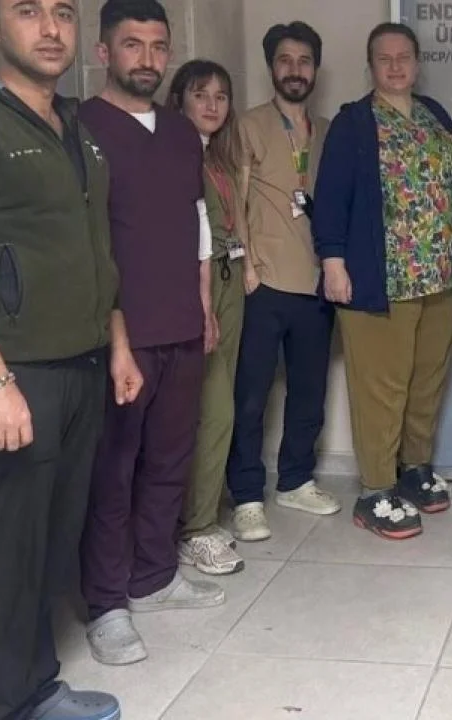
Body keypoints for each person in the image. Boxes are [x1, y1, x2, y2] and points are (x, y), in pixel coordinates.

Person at [0, 0, 131, 716]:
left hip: (79, 367)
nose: (50, 28)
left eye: (63, 12)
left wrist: (118, 344)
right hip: (12, 376)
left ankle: (34, 691)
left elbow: (98, 252)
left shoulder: (75, 130)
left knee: (48, 545)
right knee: (5, 552)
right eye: (28, 10)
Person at [79, 0, 225, 667]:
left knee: (170, 460)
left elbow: (198, 223)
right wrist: (113, 336)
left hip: (182, 324)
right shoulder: (81, 127)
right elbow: (85, 241)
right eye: (132, 44)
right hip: (122, 334)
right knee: (115, 470)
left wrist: (205, 305)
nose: (147, 58)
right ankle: (107, 602)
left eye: (158, 46)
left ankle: (154, 576)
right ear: (104, 52)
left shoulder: (179, 131)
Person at [312, 23, 452, 540]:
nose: (395, 67)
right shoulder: (354, 123)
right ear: (371, 66)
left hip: (438, 279)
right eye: (384, 58)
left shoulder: (436, 116)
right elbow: (331, 196)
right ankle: (376, 489)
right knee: (381, 389)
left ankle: (414, 469)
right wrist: (333, 261)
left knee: (425, 383)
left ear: (417, 63)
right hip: (381, 281)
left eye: (404, 57)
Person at [225, 21, 341, 544]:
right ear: (272, 67)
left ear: (315, 69)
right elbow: (234, 200)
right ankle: (247, 495)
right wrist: (247, 268)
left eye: (304, 61)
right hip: (264, 282)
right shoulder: (248, 125)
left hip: (316, 285)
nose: (295, 70)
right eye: (285, 60)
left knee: (309, 393)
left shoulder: (328, 131)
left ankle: (295, 480)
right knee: (250, 395)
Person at [167, 60, 248, 575]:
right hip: (200, 291)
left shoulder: (215, 157)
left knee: (221, 407)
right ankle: (194, 529)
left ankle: (204, 514)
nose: (212, 105)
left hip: (229, 281)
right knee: (213, 411)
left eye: (221, 96)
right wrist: (202, 307)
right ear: (179, 101)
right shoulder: (174, 157)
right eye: (201, 95)